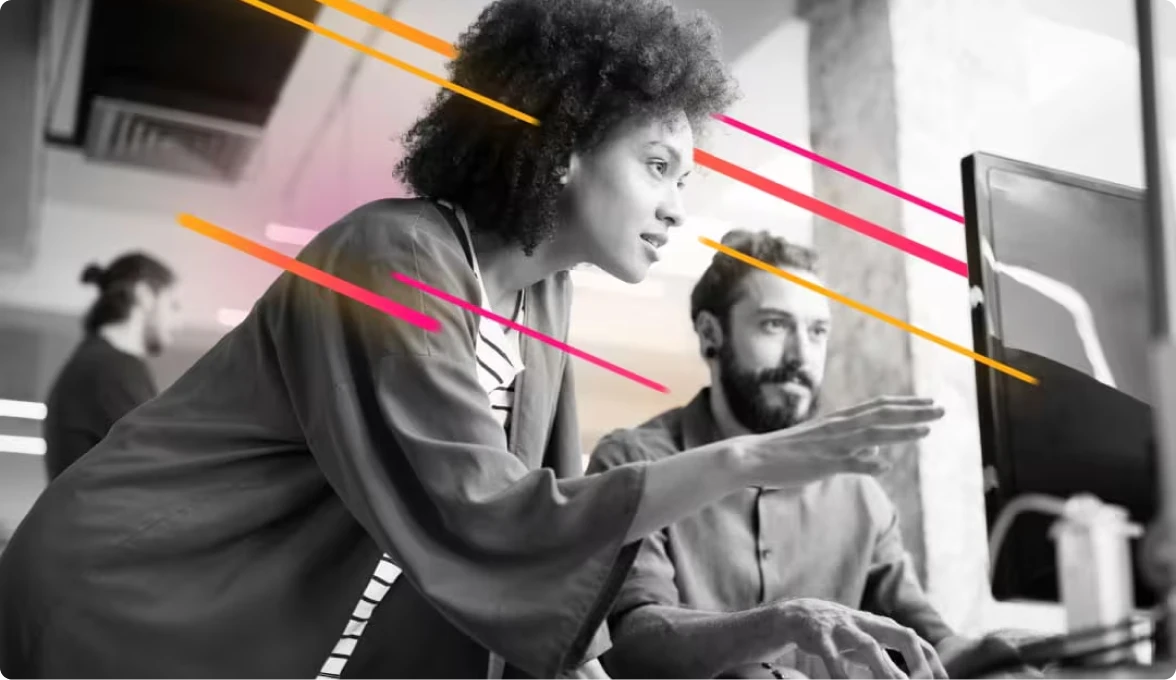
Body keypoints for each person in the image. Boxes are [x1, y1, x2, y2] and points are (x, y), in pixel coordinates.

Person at [0, 2, 946, 679]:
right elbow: (488, 512)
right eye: (658, 165)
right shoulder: (392, 256)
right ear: (565, 144)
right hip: (128, 591)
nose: (674, 207)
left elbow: (544, 527)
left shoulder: (544, 304)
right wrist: (743, 458)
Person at [589, 230, 1021, 680]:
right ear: (710, 333)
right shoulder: (634, 462)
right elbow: (630, 643)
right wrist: (781, 623)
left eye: (817, 332)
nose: (801, 356)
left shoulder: (859, 493)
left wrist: (1004, 654)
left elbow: (926, 640)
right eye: (774, 325)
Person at [42, 253, 180, 481]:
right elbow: (160, 468)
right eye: (174, 306)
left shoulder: (102, 364)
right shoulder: (108, 370)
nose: (178, 321)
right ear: (144, 294)